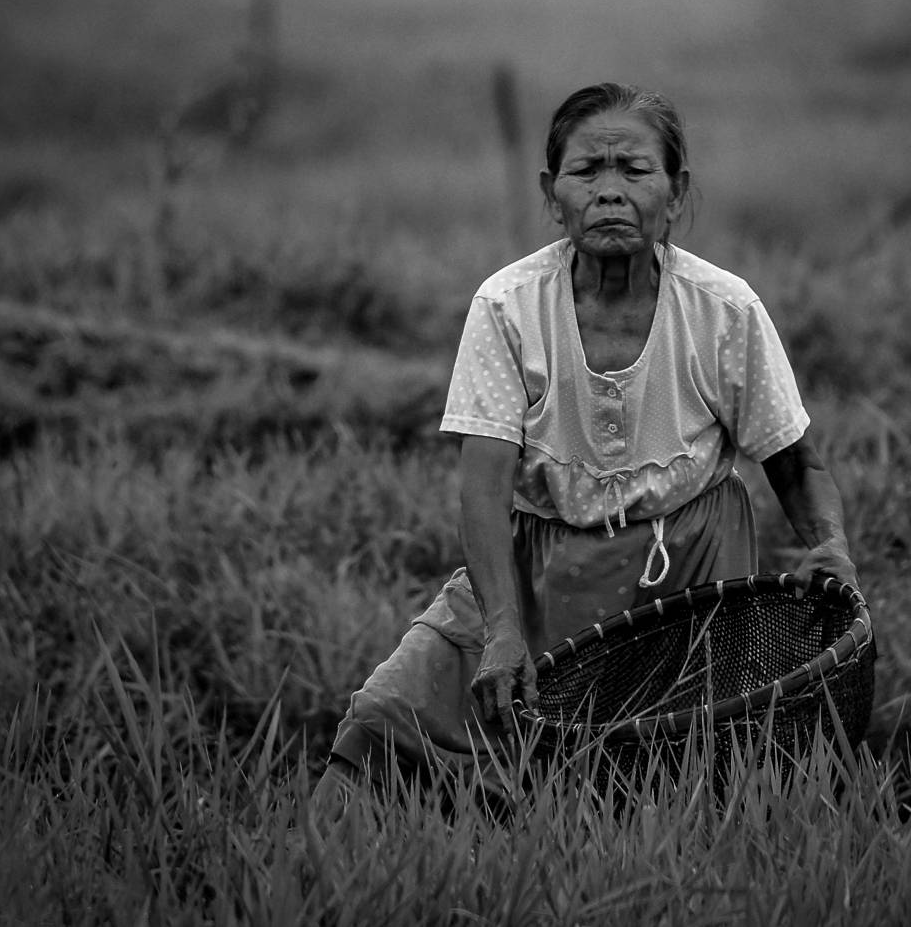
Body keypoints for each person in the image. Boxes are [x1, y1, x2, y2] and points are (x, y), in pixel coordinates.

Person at [311, 82, 861, 822]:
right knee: (391, 714)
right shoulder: (508, 307)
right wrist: (503, 628)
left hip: (689, 574)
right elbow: (483, 490)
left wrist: (831, 547)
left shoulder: (724, 311)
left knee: (665, 771)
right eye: (586, 171)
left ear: (676, 192)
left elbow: (797, 464)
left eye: (633, 170)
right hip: (538, 567)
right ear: (552, 194)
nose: (609, 191)